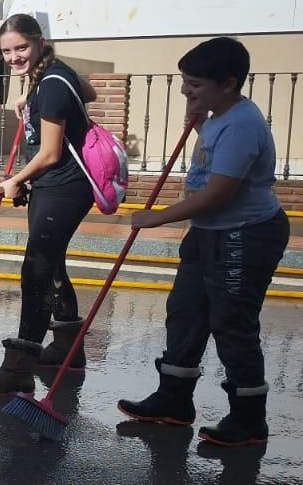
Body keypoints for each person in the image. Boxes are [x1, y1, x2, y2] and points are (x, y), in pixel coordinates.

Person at [118, 36, 290, 446]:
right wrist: (194, 120)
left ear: (227, 83)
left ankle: (249, 419)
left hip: (244, 234)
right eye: (184, 82)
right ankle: (173, 401)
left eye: (194, 84)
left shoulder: (242, 124)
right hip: (210, 231)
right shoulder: (216, 115)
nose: (185, 91)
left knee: (231, 322)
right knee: (186, 311)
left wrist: (156, 218)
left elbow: (217, 194)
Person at [0, 15, 98, 395]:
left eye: (21, 48)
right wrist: (32, 95)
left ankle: (19, 368)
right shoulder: (54, 76)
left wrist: (14, 180)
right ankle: (66, 349)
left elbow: (50, 152)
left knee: (37, 269)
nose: (14, 57)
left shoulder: (53, 83)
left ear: (40, 42)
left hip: (63, 186)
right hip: (54, 185)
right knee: (52, 260)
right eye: (7, 51)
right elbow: (87, 91)